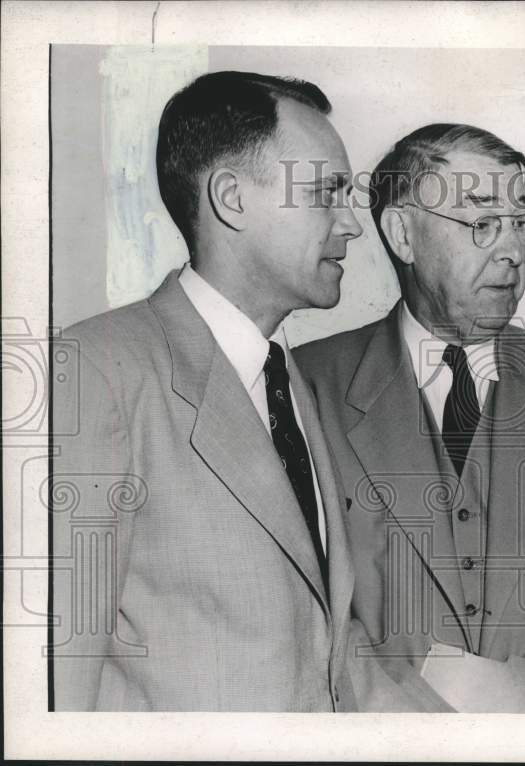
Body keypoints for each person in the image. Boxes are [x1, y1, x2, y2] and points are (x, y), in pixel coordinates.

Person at [49, 71, 445, 711]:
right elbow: (59, 687)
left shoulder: (287, 383)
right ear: (231, 199)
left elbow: (327, 655)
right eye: (325, 193)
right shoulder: (95, 371)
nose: (352, 224)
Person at [295, 123, 525, 712]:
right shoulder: (308, 387)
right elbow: (311, 617)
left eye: (519, 222)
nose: (512, 250)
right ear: (403, 234)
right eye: (482, 222)